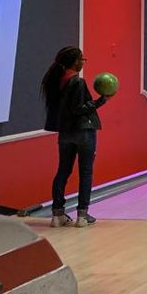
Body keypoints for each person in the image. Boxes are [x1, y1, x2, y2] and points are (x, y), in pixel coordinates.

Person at [42, 46, 111, 228]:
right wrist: (101, 101)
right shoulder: (77, 82)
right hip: (83, 131)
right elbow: (78, 109)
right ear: (74, 62)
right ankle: (82, 215)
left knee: (63, 171)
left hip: (65, 133)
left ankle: (57, 215)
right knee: (85, 172)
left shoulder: (54, 82)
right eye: (81, 59)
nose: (83, 62)